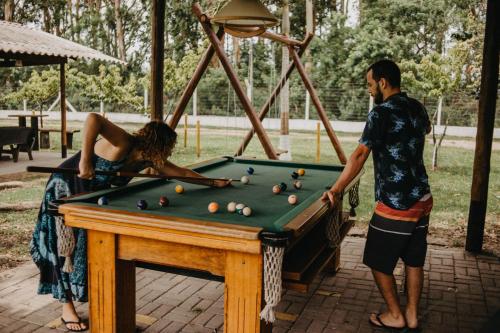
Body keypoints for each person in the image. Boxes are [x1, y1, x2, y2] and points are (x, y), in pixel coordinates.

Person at [30, 113, 231, 331]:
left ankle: (91, 303)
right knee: (63, 249)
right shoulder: (124, 142)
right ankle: (66, 308)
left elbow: (180, 172)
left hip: (87, 199)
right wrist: (85, 160)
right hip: (66, 188)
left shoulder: (147, 160)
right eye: (168, 148)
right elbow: (93, 119)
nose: (169, 154)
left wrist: (212, 182)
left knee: (83, 250)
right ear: (158, 144)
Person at [322, 60, 432, 331]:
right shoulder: (417, 107)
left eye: (370, 84)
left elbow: (360, 154)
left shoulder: (380, 113)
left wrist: (336, 189)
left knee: (377, 259)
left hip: (396, 203)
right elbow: (422, 131)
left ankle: (396, 315)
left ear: (383, 82)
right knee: (413, 259)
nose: (369, 90)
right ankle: (413, 315)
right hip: (422, 198)